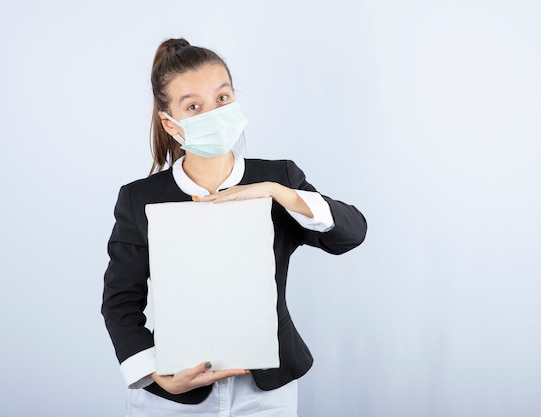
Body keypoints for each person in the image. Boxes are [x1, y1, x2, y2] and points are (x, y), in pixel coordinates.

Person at [101, 38, 367, 416]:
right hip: (176, 393)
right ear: (169, 122)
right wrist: (156, 375)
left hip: (265, 391)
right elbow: (120, 300)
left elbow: (351, 234)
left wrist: (280, 193)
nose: (213, 112)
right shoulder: (139, 198)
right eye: (193, 106)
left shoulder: (278, 178)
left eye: (222, 98)